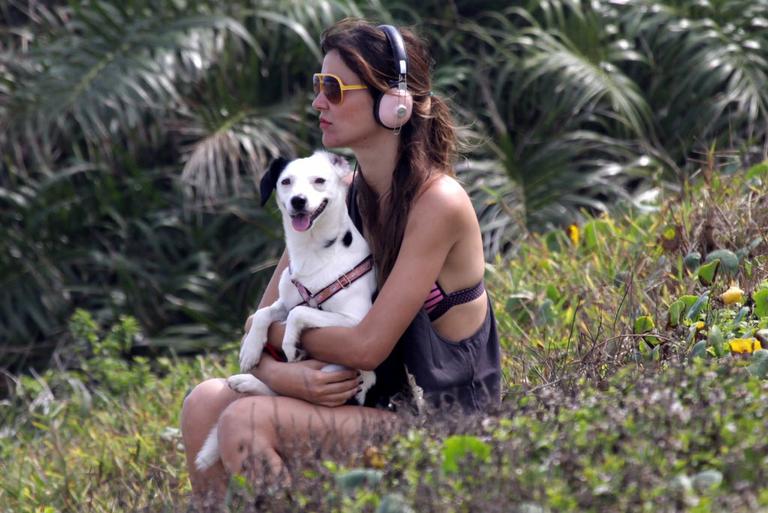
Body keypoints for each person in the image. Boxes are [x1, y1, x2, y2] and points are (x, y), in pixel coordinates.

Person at [180, 17, 501, 508]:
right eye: (317, 86)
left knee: (245, 419)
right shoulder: (334, 193)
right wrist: (288, 375)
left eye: (333, 88)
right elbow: (264, 317)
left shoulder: (438, 203)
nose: (318, 103)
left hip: (443, 431)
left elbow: (366, 346)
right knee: (204, 402)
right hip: (368, 408)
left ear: (393, 102)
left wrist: (281, 351)